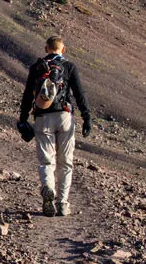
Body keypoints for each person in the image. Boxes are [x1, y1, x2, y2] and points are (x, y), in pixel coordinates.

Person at [17, 35, 92, 216]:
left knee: (46, 161)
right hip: (64, 117)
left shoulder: (37, 67)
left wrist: (23, 118)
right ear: (63, 49)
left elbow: (28, 94)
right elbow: (79, 94)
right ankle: (62, 203)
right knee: (65, 163)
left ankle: (48, 188)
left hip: (43, 118)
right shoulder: (69, 67)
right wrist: (87, 117)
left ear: (46, 49)